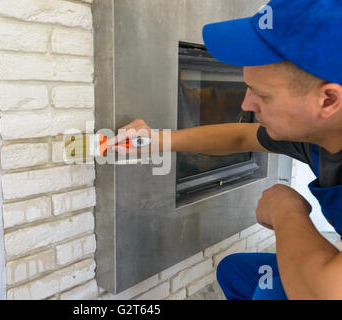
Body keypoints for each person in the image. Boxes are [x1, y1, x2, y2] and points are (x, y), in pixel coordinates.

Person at [107, 0, 342, 299]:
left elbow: (325, 294)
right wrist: (157, 140)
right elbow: (241, 138)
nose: (246, 105)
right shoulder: (318, 134)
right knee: (237, 272)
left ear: (328, 100)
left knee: (266, 293)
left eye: (263, 95)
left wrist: (287, 210)